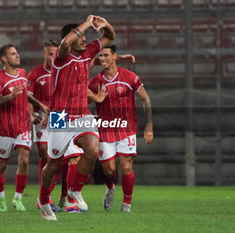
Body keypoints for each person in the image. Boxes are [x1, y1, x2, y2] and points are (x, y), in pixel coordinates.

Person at [36, 15, 115, 221]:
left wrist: (104, 24)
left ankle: (75, 190)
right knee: (53, 164)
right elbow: (65, 42)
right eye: (81, 37)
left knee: (92, 149)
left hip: (82, 114)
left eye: (86, 37)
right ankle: (43, 200)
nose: (85, 40)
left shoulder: (88, 53)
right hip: (60, 116)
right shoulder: (61, 57)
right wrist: (87, 22)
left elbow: (109, 37)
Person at [88, 45, 153, 212]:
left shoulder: (130, 77)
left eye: (106, 55)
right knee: (109, 170)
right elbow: (82, 102)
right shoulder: (95, 82)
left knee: (126, 167)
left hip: (127, 129)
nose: (102, 59)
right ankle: (110, 188)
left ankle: (126, 204)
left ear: (115, 56)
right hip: (106, 130)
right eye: (100, 56)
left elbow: (145, 100)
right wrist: (95, 99)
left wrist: (149, 124)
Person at [0, 44, 49, 212]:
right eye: (13, 54)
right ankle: (0, 198)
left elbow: (26, 95)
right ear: (4, 58)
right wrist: (9, 96)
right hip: (5, 128)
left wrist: (40, 105)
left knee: (24, 161)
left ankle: (18, 198)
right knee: (1, 165)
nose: (17, 56)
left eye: (17, 53)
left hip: (23, 125)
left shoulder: (23, 74)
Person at [27, 40, 83, 213]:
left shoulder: (63, 69)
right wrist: (32, 114)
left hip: (60, 116)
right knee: (48, 158)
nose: (53, 57)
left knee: (71, 158)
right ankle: (46, 198)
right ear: (44, 54)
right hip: (42, 118)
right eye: (50, 54)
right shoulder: (35, 74)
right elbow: (27, 97)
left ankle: (66, 199)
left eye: (55, 54)